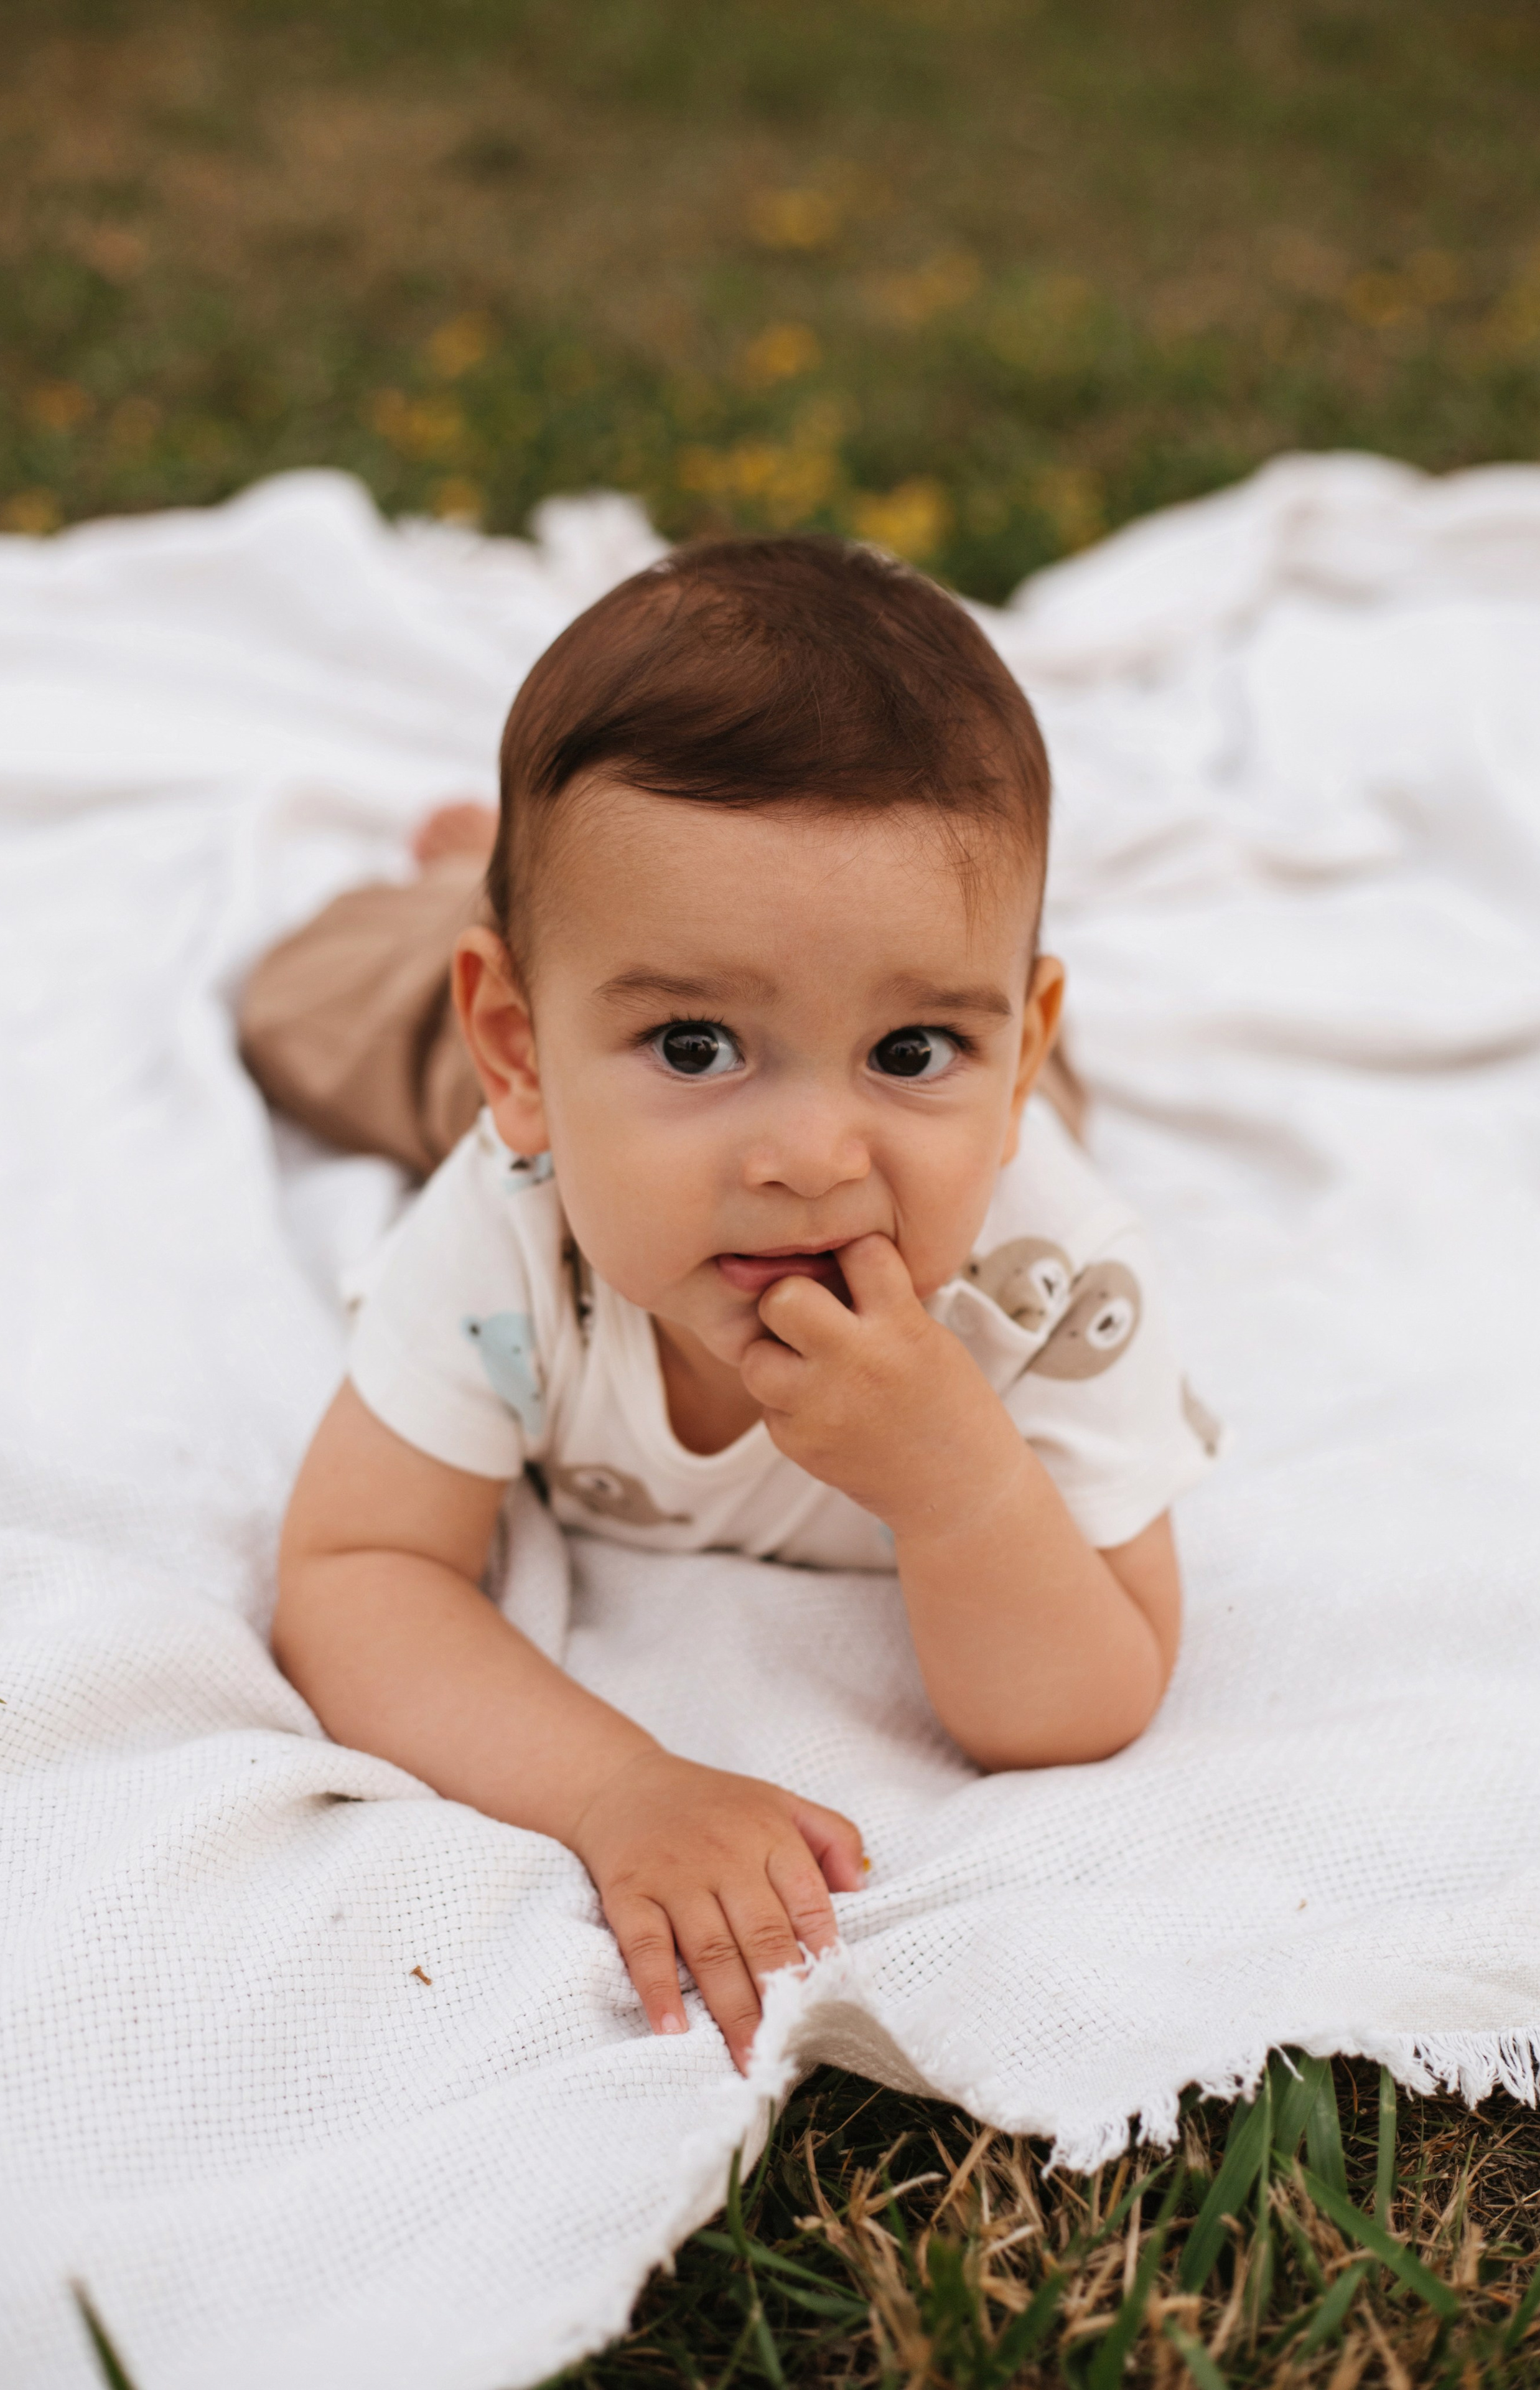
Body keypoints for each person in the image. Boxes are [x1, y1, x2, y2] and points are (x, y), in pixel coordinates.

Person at [261, 537, 1217, 2074]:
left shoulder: (1052, 1291)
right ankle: (465, 876)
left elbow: (1084, 1703)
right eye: (695, 1044)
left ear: (1015, 1047)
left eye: (913, 1049)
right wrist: (615, 1788)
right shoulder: (511, 1222)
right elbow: (358, 1566)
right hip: (534, 1110)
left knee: (898, 1076)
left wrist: (959, 1483)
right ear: (524, 1048)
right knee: (305, 1013)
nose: (808, 1163)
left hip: (977, 1145)